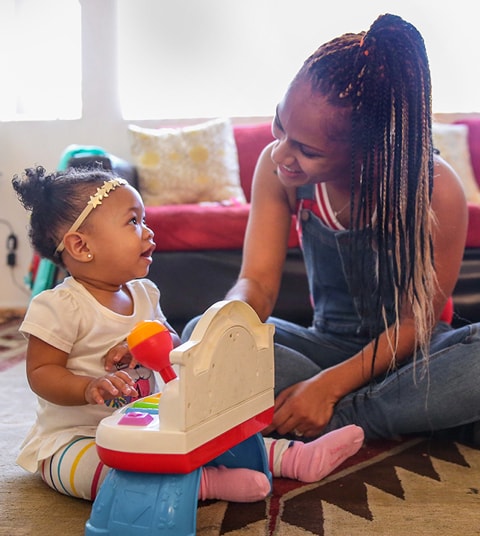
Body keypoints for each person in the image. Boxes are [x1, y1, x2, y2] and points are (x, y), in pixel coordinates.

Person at [184, 13, 480, 444]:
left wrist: (328, 389)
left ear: (368, 152)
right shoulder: (276, 170)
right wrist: (226, 326)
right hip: (323, 347)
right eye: (280, 125)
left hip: (413, 354)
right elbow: (257, 284)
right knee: (199, 330)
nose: (282, 154)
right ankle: (410, 417)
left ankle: (338, 418)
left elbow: (416, 324)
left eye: (306, 150)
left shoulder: (435, 189)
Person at [12, 165, 364, 502]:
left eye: (145, 220)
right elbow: (41, 373)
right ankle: (207, 483)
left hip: (152, 423)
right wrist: (87, 388)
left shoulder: (145, 294)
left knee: (217, 428)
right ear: (81, 247)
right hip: (79, 438)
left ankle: (295, 457)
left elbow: (174, 345)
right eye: (133, 221)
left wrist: (152, 345)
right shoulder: (59, 306)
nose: (148, 232)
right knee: (99, 473)